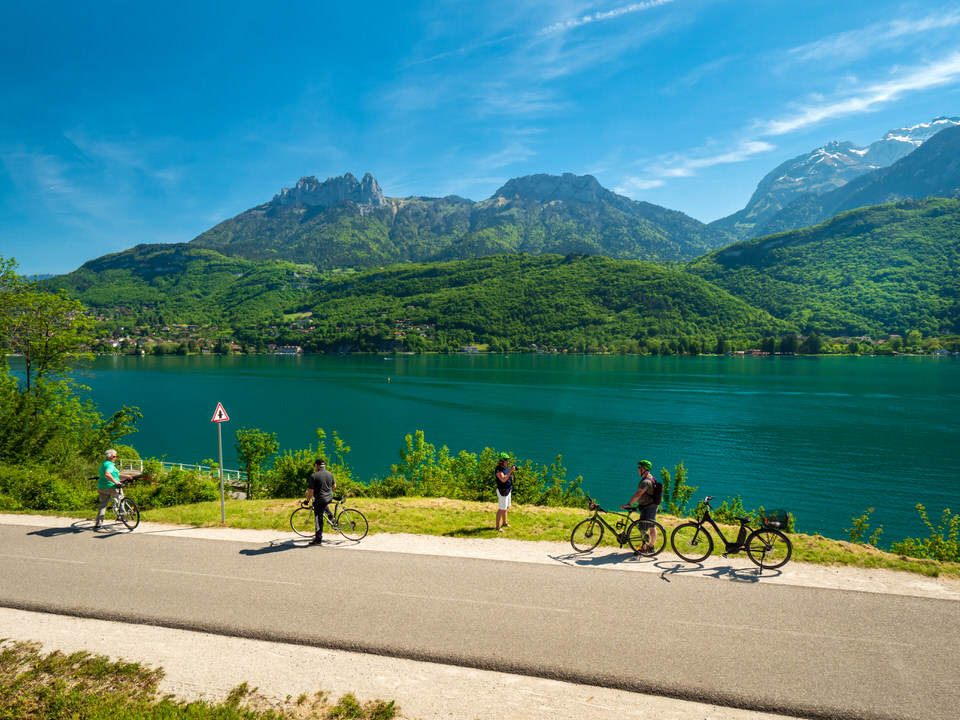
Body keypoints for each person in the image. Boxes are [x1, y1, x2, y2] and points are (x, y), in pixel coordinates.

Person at [621, 459, 659, 553]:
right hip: (652, 506)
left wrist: (629, 504)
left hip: (648, 507)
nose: (638, 469)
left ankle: (645, 548)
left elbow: (638, 494)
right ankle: (651, 547)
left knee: (644, 528)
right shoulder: (651, 478)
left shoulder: (645, 482)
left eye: (639, 467)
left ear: (644, 469)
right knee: (651, 526)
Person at [95, 449, 132, 530]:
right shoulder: (110, 465)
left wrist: (125, 476)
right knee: (121, 500)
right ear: (109, 457)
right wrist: (116, 482)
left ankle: (98, 524)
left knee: (102, 506)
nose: (115, 457)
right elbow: (107, 474)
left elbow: (114, 473)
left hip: (101, 487)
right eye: (114, 456)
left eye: (115, 456)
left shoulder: (104, 464)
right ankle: (120, 517)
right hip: (111, 487)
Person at [304, 458, 336, 546]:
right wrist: (328, 492)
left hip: (320, 499)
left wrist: (306, 501)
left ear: (317, 466)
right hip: (329, 497)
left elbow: (310, 491)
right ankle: (330, 515)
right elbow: (334, 486)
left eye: (315, 465)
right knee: (323, 504)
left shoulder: (314, 476)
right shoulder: (330, 473)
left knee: (318, 519)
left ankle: (318, 539)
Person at [494, 452, 515, 532]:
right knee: (501, 509)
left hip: (508, 490)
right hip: (502, 491)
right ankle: (497, 527)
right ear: (502, 461)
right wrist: (510, 471)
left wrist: (511, 473)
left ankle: (505, 523)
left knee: (506, 507)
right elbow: (503, 479)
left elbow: (508, 476)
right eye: (506, 460)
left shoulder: (506, 468)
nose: (508, 462)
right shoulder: (498, 469)